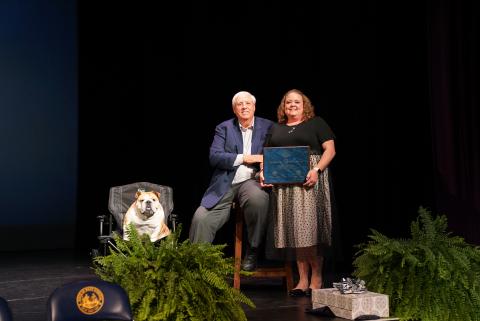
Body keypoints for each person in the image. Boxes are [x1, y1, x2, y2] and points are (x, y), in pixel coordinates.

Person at [261, 89, 336, 297]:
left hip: (309, 181)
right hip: (284, 186)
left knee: (309, 230)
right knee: (293, 231)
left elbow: (330, 150)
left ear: (305, 105)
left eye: (297, 102)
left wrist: (316, 170)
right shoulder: (276, 128)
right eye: (288, 102)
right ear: (283, 107)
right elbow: (267, 155)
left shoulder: (316, 123)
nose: (292, 105)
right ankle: (302, 279)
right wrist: (263, 172)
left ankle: (316, 276)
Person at [189, 91, 274, 271]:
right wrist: (246, 158)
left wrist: (265, 169)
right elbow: (215, 157)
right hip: (227, 181)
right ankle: (197, 264)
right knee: (201, 217)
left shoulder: (269, 127)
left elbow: (274, 155)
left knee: (258, 200)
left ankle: (253, 250)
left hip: (253, 180)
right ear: (234, 110)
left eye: (247, 104)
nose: (244, 107)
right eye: (239, 104)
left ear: (254, 107)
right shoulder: (224, 128)